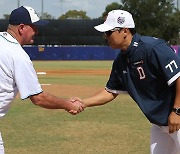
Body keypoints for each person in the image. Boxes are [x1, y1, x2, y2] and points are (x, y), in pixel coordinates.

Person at [74, 10, 180, 154]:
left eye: (109, 32)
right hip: (160, 124)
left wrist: (177, 111)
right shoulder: (121, 61)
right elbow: (110, 91)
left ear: (124, 31)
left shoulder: (152, 48)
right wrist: (83, 102)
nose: (106, 37)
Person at [0, 6, 84, 154]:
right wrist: (67, 104)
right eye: (34, 27)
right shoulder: (18, 55)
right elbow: (38, 98)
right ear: (21, 28)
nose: (37, 32)